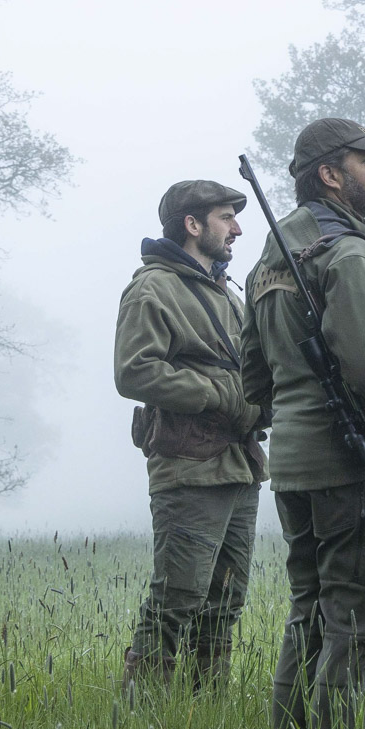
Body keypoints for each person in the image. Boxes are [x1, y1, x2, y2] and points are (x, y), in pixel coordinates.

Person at [241, 118, 365, 729]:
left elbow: (253, 378)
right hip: (355, 465)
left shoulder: (270, 257)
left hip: (295, 465)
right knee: (359, 624)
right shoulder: (348, 253)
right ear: (330, 174)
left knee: (311, 613)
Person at [114, 179, 266, 688]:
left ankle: (206, 713)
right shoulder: (152, 287)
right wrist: (221, 394)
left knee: (225, 601)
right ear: (192, 224)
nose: (237, 228)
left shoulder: (226, 293)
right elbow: (134, 372)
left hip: (239, 464)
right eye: (226, 217)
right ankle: (143, 717)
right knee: (177, 598)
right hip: (188, 465)